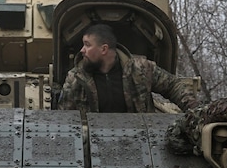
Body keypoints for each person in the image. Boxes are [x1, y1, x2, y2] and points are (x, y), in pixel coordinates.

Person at [58, 23, 199, 115]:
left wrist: (196, 111)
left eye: (87, 45)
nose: (82, 50)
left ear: (104, 49)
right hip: (92, 144)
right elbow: (64, 117)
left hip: (140, 139)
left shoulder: (140, 69)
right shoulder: (76, 78)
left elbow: (172, 85)